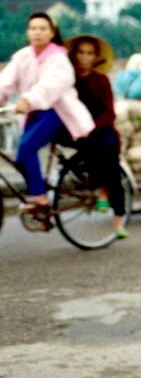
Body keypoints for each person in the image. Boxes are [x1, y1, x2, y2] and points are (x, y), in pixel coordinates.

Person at [0, 13, 93, 219]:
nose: (37, 32)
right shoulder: (23, 56)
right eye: (33, 28)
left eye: (43, 28)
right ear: (28, 32)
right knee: (20, 158)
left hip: (57, 111)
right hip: (33, 113)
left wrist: (28, 100)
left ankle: (41, 198)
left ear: (52, 33)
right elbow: (5, 83)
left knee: (26, 147)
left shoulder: (59, 59)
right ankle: (40, 189)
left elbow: (50, 87)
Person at [66, 35, 128, 238]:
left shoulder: (101, 81)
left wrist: (92, 127)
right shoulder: (68, 81)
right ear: (75, 56)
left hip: (102, 129)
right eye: (81, 53)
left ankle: (118, 220)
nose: (85, 57)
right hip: (77, 131)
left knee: (111, 163)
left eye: (89, 53)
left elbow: (109, 112)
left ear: (95, 57)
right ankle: (99, 189)